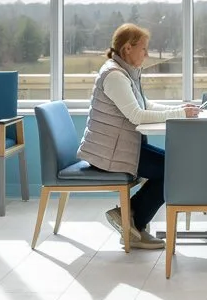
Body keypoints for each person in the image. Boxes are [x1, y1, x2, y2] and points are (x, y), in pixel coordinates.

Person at [77, 23, 199, 250]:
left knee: (174, 165)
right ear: (127, 49)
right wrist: (180, 113)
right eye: (143, 48)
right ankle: (133, 223)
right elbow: (136, 115)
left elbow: (144, 105)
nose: (147, 54)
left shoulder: (124, 73)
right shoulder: (114, 76)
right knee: (173, 169)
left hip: (121, 148)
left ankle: (128, 217)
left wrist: (179, 108)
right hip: (109, 154)